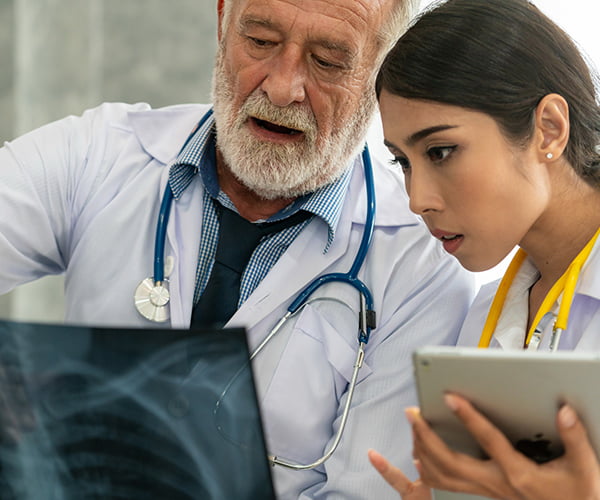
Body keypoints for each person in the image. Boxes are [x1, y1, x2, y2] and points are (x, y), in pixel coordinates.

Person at [0, 0, 475, 498]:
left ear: (384, 68)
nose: (282, 86)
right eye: (262, 41)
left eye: (329, 61)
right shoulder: (101, 154)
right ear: (223, 20)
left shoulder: (423, 264)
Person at [368, 0, 600, 498]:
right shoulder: (484, 317)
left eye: (440, 152)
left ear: (549, 130)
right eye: (401, 162)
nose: (417, 200)